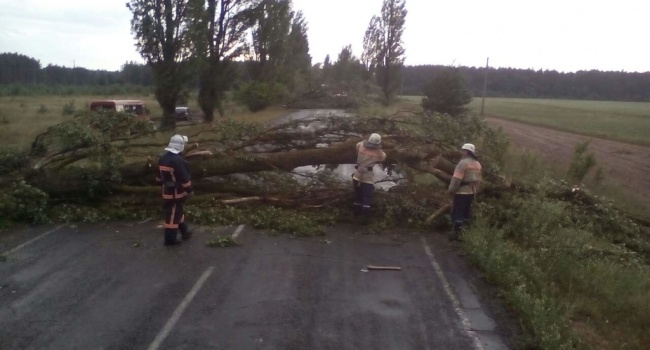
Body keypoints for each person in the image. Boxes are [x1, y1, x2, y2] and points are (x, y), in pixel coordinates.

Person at [156, 134, 194, 246]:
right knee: (173, 215)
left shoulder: (163, 158)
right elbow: (184, 178)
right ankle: (170, 239)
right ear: (180, 146)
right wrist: (189, 190)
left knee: (177, 212)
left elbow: (158, 178)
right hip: (176, 193)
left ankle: (184, 232)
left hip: (166, 191)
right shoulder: (178, 160)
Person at [447, 143, 482, 240]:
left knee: (458, 213)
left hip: (461, 192)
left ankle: (457, 236)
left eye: (463, 150)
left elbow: (456, 179)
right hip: (471, 192)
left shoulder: (463, 163)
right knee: (466, 213)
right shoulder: (477, 164)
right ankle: (465, 234)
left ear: (467, 151)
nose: (462, 152)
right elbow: (478, 180)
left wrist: (451, 190)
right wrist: (476, 191)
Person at [352, 133, 387, 225]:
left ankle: (355, 216)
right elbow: (383, 158)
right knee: (367, 197)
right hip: (367, 177)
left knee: (357, 195)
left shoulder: (360, 145)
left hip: (357, 175)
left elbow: (357, 147)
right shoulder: (378, 152)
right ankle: (364, 220)